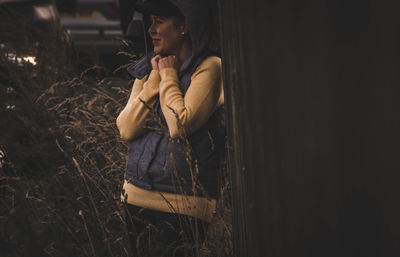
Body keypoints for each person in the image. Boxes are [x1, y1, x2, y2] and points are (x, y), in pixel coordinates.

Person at [116, 0, 224, 256]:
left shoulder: (209, 67)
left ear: (184, 26)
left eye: (159, 22)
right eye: (150, 22)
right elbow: (126, 128)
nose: (151, 29)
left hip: (184, 204)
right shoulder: (148, 69)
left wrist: (168, 76)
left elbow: (180, 125)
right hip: (135, 195)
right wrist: (154, 79)